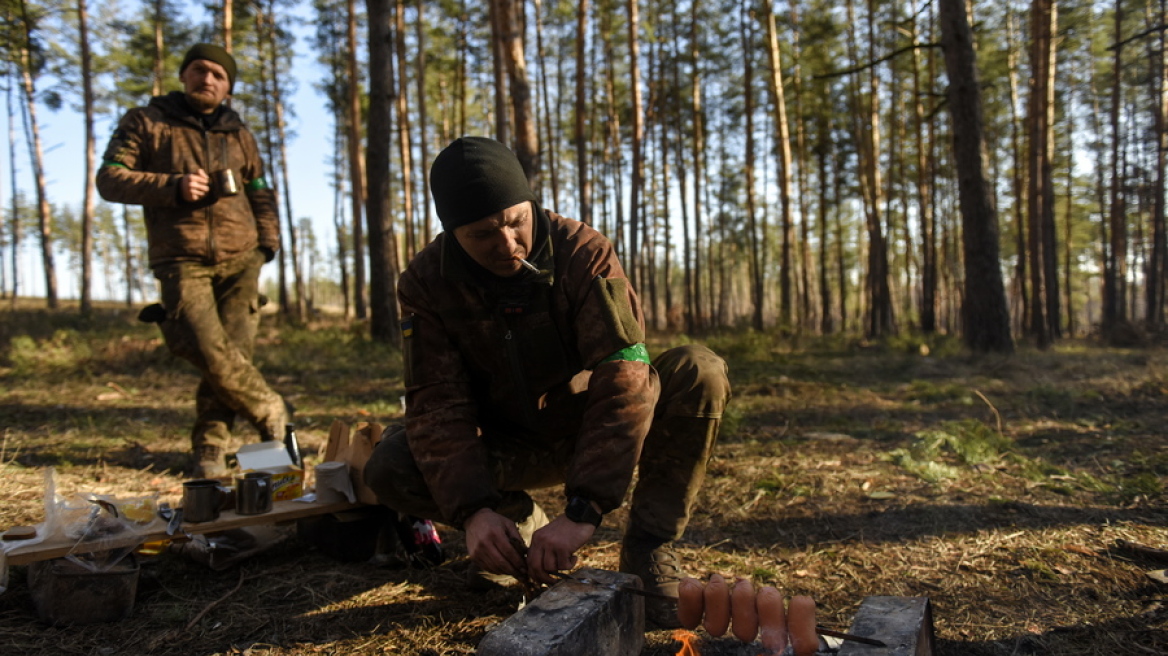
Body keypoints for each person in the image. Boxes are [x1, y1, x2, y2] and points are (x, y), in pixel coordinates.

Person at [364, 136, 730, 628]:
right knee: (390, 463)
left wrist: (584, 509)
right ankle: (512, 527)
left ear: (530, 203)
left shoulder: (583, 253)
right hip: (503, 445)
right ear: (452, 232)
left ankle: (649, 549)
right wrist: (474, 510)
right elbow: (436, 404)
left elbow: (623, 373)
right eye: (481, 235)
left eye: (515, 222)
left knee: (698, 371)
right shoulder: (426, 282)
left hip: (589, 429)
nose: (507, 245)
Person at [96, 43, 288, 478]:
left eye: (219, 76)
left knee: (232, 353)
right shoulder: (147, 122)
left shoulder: (239, 134)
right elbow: (109, 178)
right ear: (184, 76)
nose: (208, 79)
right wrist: (173, 186)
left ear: (228, 89)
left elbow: (259, 188)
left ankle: (209, 448)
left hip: (242, 256)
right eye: (200, 70)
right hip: (180, 257)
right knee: (205, 347)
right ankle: (271, 409)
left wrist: (267, 245)